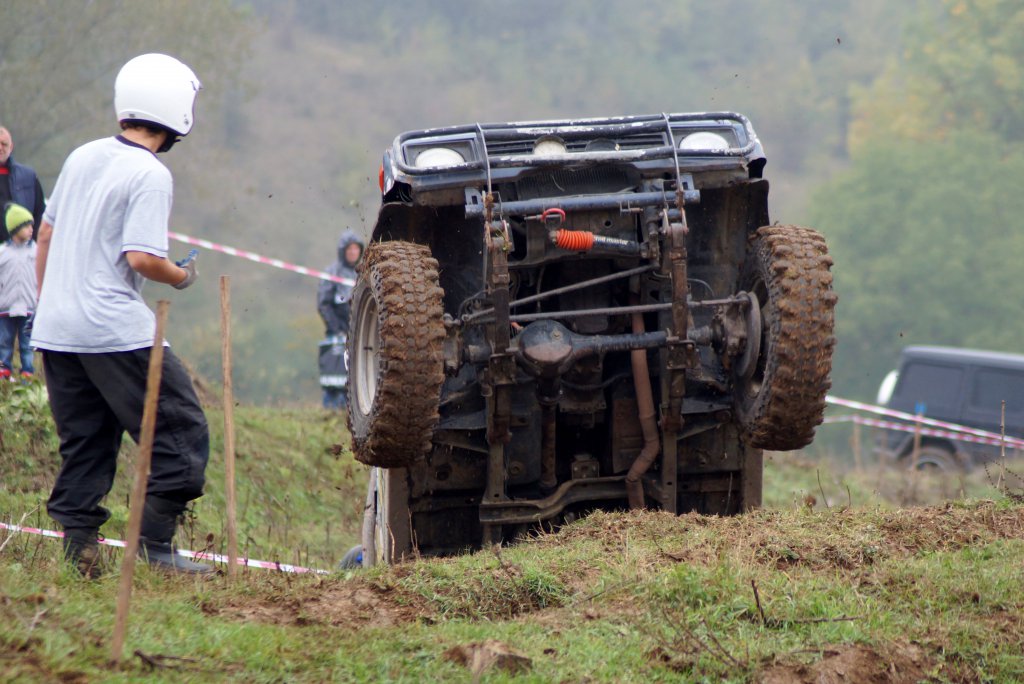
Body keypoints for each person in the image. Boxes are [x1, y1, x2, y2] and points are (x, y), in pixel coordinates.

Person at [32, 54, 213, 578]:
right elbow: (141, 258)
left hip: (57, 329)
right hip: (114, 329)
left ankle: (80, 552)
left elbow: (45, 235)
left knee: (86, 442)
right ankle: (155, 546)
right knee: (181, 433)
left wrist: (51, 305)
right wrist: (181, 276)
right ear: (179, 112)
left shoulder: (82, 155)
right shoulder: (150, 174)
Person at [316, 230, 363, 409]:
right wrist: (337, 330)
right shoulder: (332, 272)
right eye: (349, 249)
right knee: (335, 378)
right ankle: (330, 411)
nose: (352, 252)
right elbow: (324, 304)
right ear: (343, 251)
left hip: (358, 334)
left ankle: (349, 413)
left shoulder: (363, 272)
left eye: (355, 248)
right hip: (337, 334)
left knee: (356, 377)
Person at [0, 202, 37, 380]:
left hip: (29, 306)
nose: (31, 229)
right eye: (27, 225)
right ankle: (3, 370)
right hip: (5, 307)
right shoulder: (2, 253)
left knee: (26, 343)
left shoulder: (36, 251)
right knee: (4, 342)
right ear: (15, 228)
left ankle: (27, 372)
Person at [0, 125, 46, 242]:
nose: (0, 148)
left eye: (4, 144)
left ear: (11, 147)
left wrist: (34, 243)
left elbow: (40, 213)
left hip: (23, 247)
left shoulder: (28, 176)